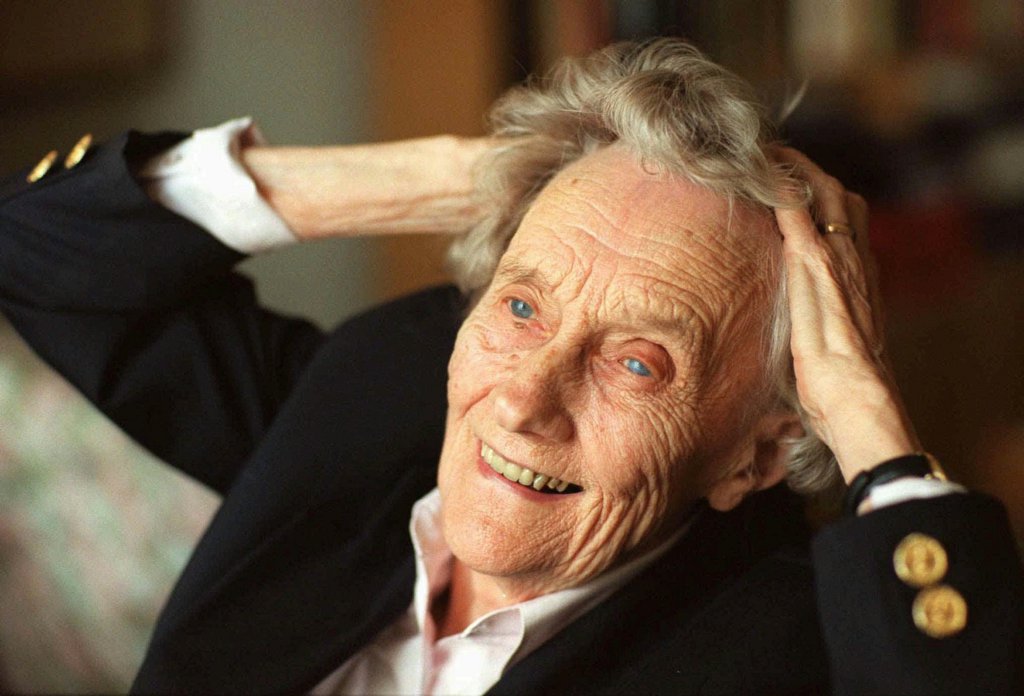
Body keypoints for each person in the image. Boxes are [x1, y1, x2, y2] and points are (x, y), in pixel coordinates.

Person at [1, 39, 1021, 694]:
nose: (525, 399)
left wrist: (869, 429)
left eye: (637, 364)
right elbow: (38, 257)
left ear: (754, 455)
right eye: (522, 305)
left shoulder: (782, 652)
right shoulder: (375, 409)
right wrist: (455, 174)